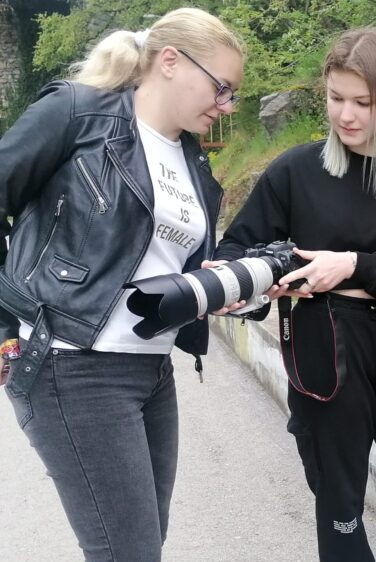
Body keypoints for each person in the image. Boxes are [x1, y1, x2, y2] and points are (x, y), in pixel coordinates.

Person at [0, 8, 243, 561]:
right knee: (127, 552)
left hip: (152, 369)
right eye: (222, 88)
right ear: (171, 61)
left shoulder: (191, 160)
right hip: (72, 363)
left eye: (232, 95)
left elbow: (157, 261)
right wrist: (0, 326)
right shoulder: (77, 112)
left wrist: (220, 283)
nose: (226, 106)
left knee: (139, 544)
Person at [214, 26, 376, 562]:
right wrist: (258, 284)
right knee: (337, 489)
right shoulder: (296, 172)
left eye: (363, 102)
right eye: (335, 98)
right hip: (322, 339)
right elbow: (237, 251)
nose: (346, 115)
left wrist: (351, 265)